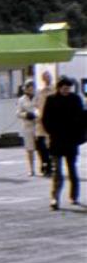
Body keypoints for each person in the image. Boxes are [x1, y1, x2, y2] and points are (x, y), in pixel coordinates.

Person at [42, 75, 85, 210]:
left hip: (71, 140)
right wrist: (51, 132)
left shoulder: (75, 99)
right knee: (57, 171)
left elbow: (83, 119)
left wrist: (80, 136)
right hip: (56, 140)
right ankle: (55, 198)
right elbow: (45, 119)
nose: (66, 90)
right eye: (64, 88)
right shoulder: (51, 100)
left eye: (68, 88)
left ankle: (74, 196)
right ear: (59, 88)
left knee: (72, 170)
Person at [16, 79, 38, 177]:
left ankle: (43, 166)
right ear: (25, 89)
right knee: (29, 149)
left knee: (41, 147)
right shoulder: (21, 100)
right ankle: (31, 169)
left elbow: (41, 108)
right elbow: (18, 113)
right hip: (27, 125)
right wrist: (26, 114)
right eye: (28, 88)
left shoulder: (38, 97)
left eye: (32, 88)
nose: (30, 90)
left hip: (38, 125)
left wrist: (36, 114)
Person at [35, 70, 55, 176]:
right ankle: (45, 162)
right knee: (40, 144)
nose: (47, 78)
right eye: (45, 77)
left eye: (48, 76)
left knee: (50, 145)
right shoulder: (40, 91)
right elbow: (35, 105)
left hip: (52, 122)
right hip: (41, 121)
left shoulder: (55, 90)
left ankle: (49, 164)